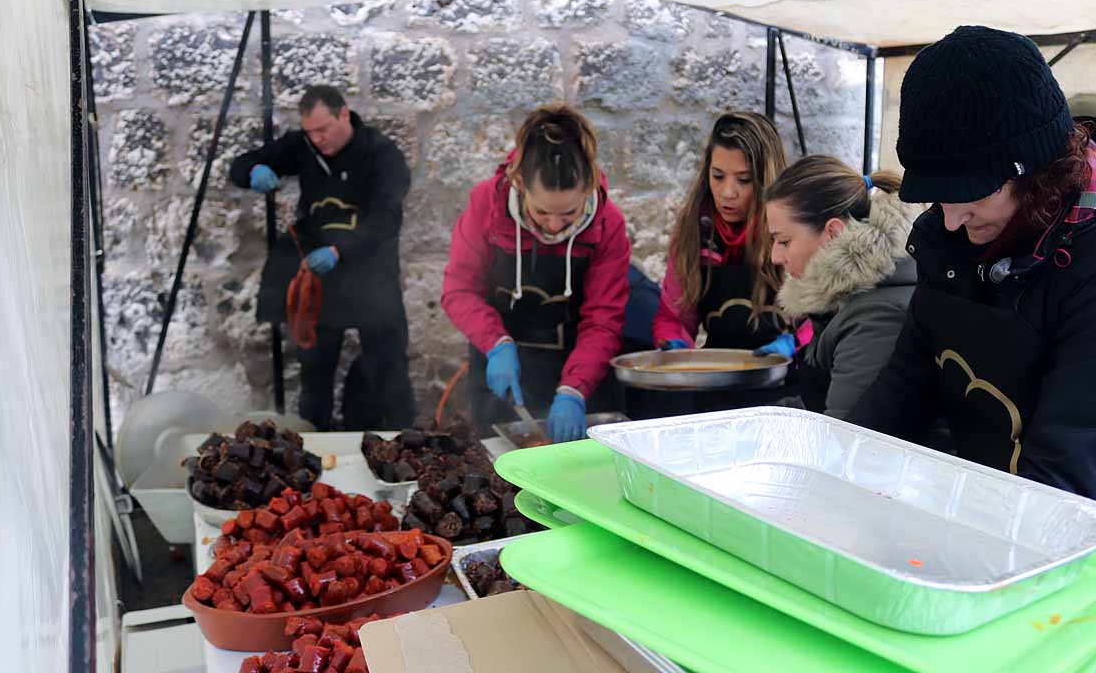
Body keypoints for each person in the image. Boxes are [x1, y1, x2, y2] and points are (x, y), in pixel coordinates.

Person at [850, 26, 1096, 672]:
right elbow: (902, 389)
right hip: (990, 519)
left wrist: (956, 598)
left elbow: (1067, 485)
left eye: (969, 194)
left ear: (1036, 171)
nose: (947, 219)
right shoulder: (955, 236)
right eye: (938, 196)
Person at [229, 85, 414, 432]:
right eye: (310, 132)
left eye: (323, 129)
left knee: (389, 371)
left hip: (372, 276)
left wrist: (340, 250)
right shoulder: (302, 145)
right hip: (321, 284)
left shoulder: (382, 154)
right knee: (315, 376)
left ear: (344, 114)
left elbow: (387, 219)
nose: (316, 139)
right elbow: (241, 163)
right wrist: (252, 171)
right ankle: (313, 449)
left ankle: (401, 445)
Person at [441, 104, 630, 442]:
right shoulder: (487, 205)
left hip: (575, 362)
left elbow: (603, 319)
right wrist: (495, 344)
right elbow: (459, 290)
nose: (555, 226)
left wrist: (574, 388)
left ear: (587, 187)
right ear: (519, 183)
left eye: (569, 213)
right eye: (542, 212)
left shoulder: (608, 224)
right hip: (499, 359)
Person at [647, 112, 790, 416]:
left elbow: (823, 321)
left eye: (744, 179)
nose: (728, 192)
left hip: (787, 392)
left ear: (766, 179)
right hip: (716, 393)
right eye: (718, 175)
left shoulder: (792, 229)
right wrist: (674, 342)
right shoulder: (694, 232)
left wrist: (794, 343)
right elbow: (674, 314)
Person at [763, 156, 918, 419]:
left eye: (784, 241)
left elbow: (845, 436)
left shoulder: (876, 316)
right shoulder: (846, 297)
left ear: (833, 233)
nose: (775, 257)